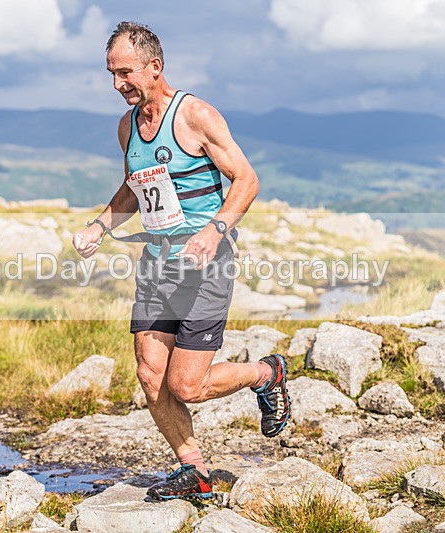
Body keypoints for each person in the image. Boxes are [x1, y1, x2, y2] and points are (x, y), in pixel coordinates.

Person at [72, 21, 290, 501]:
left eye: (125, 73)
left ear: (155, 66)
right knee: (151, 377)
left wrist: (215, 231)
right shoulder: (128, 126)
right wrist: (100, 225)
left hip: (206, 265)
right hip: (157, 265)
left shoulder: (195, 116)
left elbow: (247, 180)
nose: (117, 85)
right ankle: (194, 469)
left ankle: (266, 373)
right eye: (110, 74)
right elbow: (134, 188)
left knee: (186, 385)